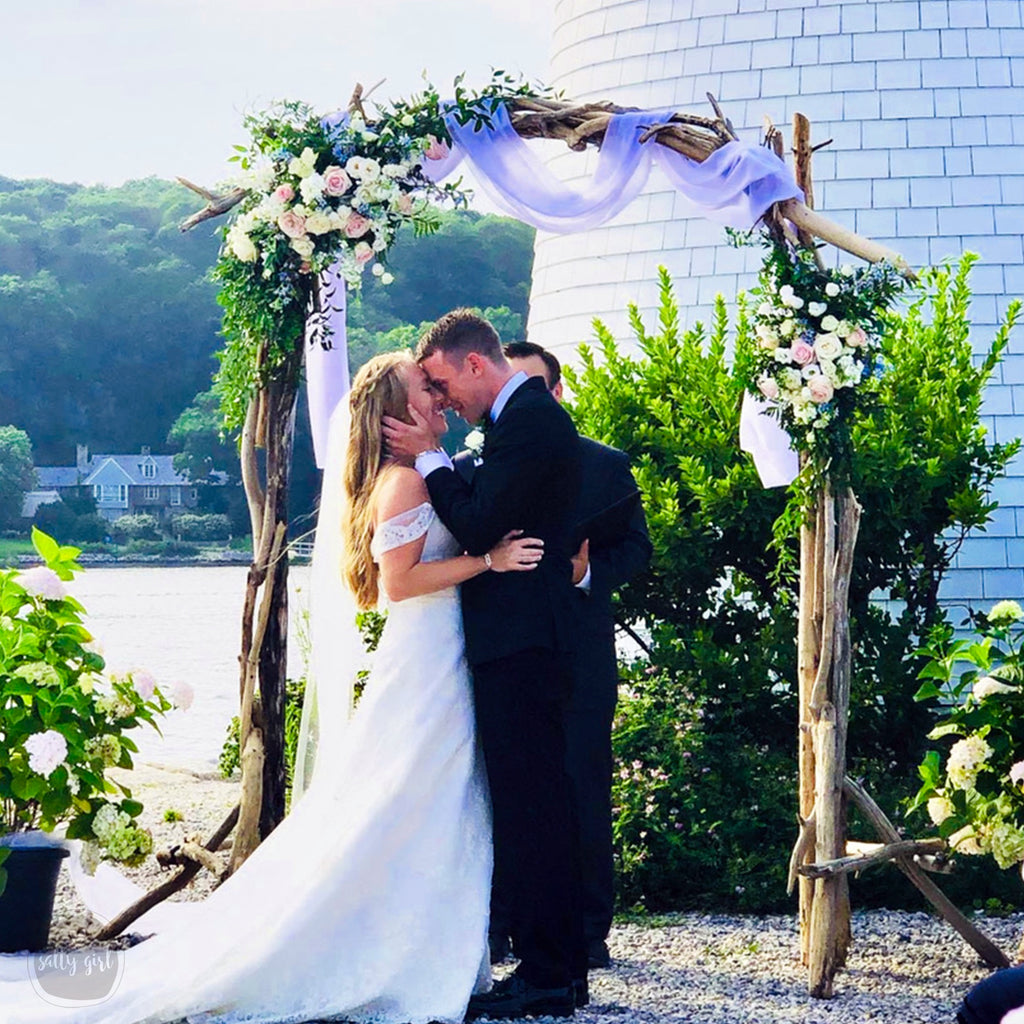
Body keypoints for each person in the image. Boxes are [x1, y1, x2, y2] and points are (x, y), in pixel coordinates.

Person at [0, 349, 544, 1024]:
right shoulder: (402, 484)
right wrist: (487, 561)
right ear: (395, 413)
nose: (437, 396)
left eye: (436, 387)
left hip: (441, 656)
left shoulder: (420, 474)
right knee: (413, 803)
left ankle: (425, 949)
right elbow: (400, 584)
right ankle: (395, 957)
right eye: (423, 388)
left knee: (426, 805)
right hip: (429, 662)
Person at [383, 310, 589, 1020]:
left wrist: (432, 459)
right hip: (517, 642)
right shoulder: (519, 422)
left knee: (534, 811)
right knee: (536, 808)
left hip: (523, 646)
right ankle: (555, 967)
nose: (442, 400)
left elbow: (476, 524)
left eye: (441, 381)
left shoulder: (529, 420)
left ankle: (548, 975)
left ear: (474, 363)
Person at [456, 341, 652, 971]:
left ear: (558, 395)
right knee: (505, 791)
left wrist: (584, 575)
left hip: (581, 656)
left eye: (539, 389)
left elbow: (638, 554)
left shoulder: (605, 466)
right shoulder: (465, 467)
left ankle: (589, 931)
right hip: (507, 656)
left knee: (581, 788)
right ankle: (505, 923)